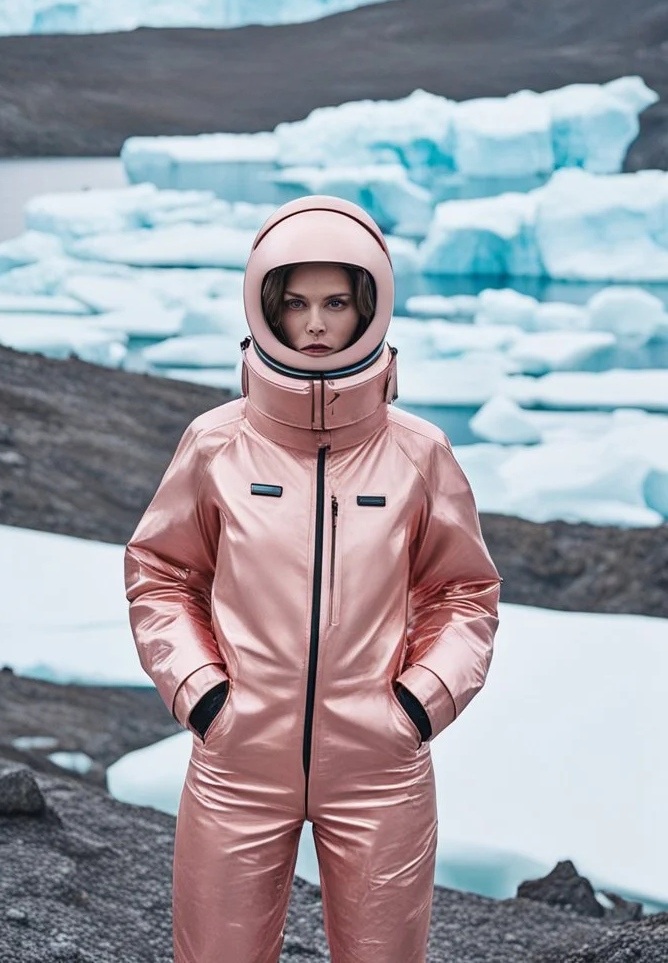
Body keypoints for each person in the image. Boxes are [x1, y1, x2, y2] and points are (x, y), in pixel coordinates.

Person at [124, 195, 502, 963]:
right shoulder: (216, 443)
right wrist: (203, 693)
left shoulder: (419, 453)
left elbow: (463, 594)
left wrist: (418, 705)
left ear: (371, 305)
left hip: (382, 770)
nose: (317, 323)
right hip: (237, 761)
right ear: (267, 307)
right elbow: (162, 574)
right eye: (296, 303)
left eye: (336, 301)